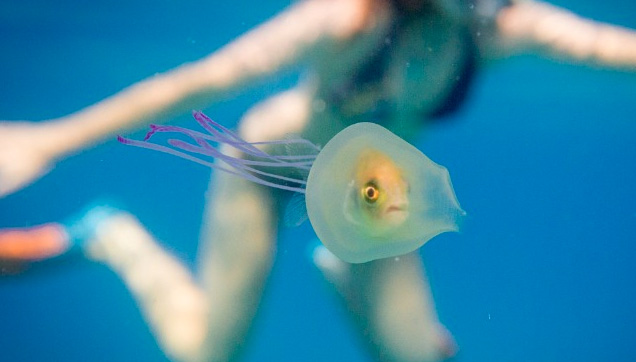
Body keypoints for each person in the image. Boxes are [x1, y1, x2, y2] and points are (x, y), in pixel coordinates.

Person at [1, 0, 634, 361]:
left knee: (419, 358)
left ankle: (345, 269)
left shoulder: (498, 25)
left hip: (375, 202)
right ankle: (110, 236)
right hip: (265, 170)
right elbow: (200, 81)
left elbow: (610, 47)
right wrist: (50, 139)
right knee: (206, 354)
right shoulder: (342, 17)